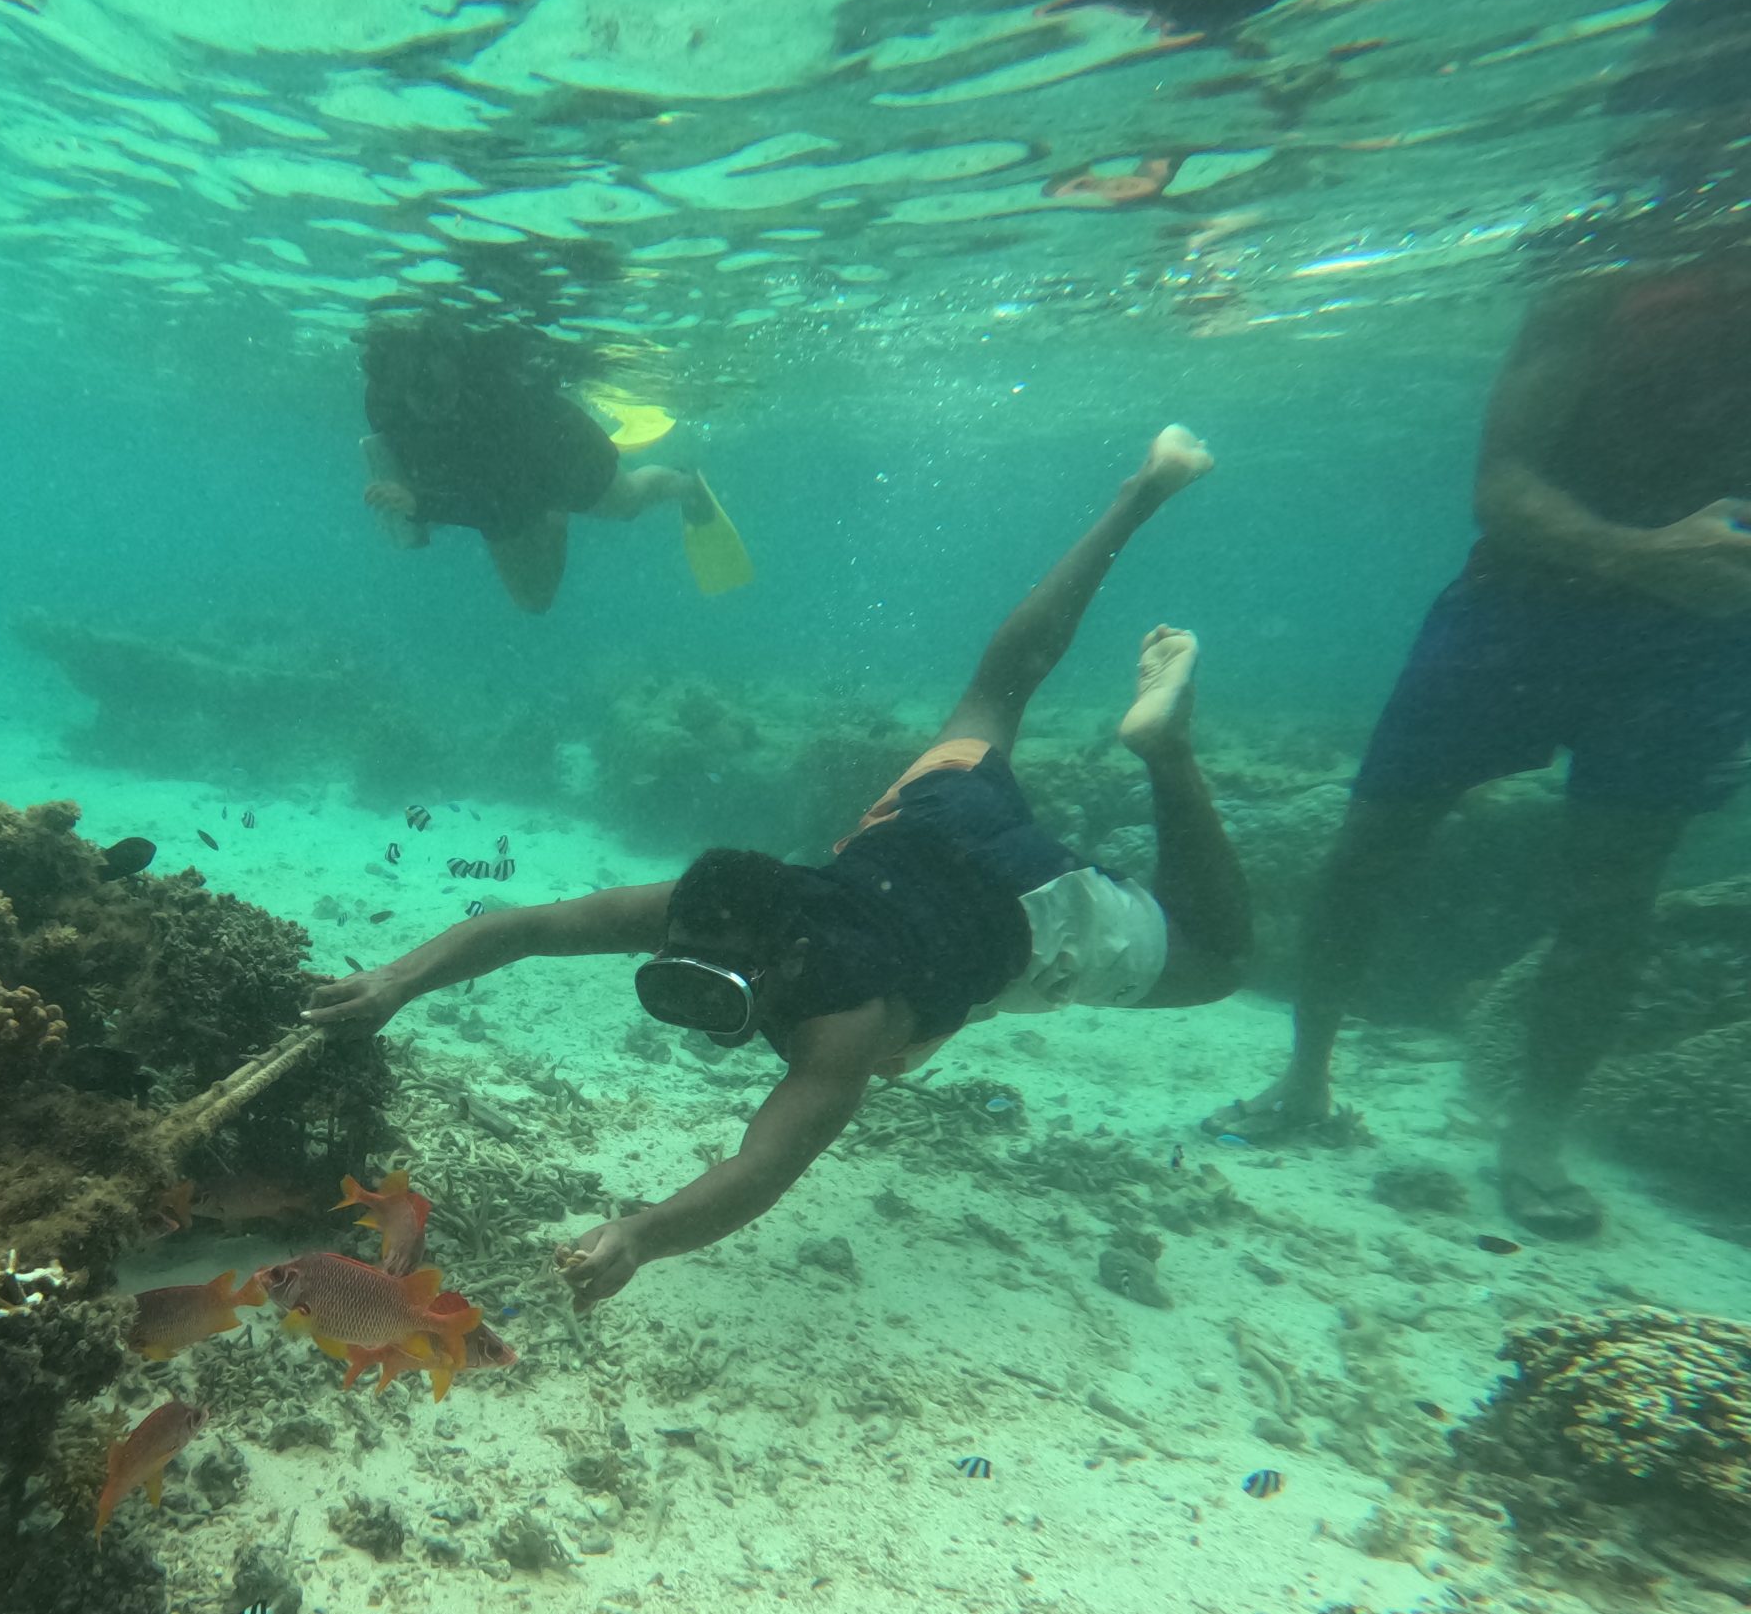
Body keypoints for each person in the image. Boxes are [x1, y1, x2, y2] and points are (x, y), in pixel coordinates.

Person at [306, 426, 1248, 1309]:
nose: (696, 1015)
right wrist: (394, 980)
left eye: (712, 994)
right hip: (931, 824)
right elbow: (520, 928)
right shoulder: (716, 905)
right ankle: (1141, 495)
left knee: (1215, 962)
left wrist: (640, 1234)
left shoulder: (840, 1023)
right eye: (675, 982)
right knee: (996, 688)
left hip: (1029, 905)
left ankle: (1167, 751)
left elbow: (762, 1168)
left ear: (781, 964)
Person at [1209, 261, 1751, 1236]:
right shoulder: (1607, 278)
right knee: (1370, 844)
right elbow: (1500, 487)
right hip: (1516, 608)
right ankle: (1302, 1077)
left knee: (1613, 894)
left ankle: (1531, 1138)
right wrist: (1642, 553)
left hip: (1695, 642)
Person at [359, 314, 715, 614]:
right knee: (533, 602)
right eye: (418, 392)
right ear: (394, 384)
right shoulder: (383, 402)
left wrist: (422, 504)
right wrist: (414, 500)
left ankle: (687, 485)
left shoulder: (500, 402)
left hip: (562, 454)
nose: (433, 405)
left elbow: (496, 504)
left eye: (441, 389)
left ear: (455, 367)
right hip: (494, 481)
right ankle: (554, 512)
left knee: (627, 502)